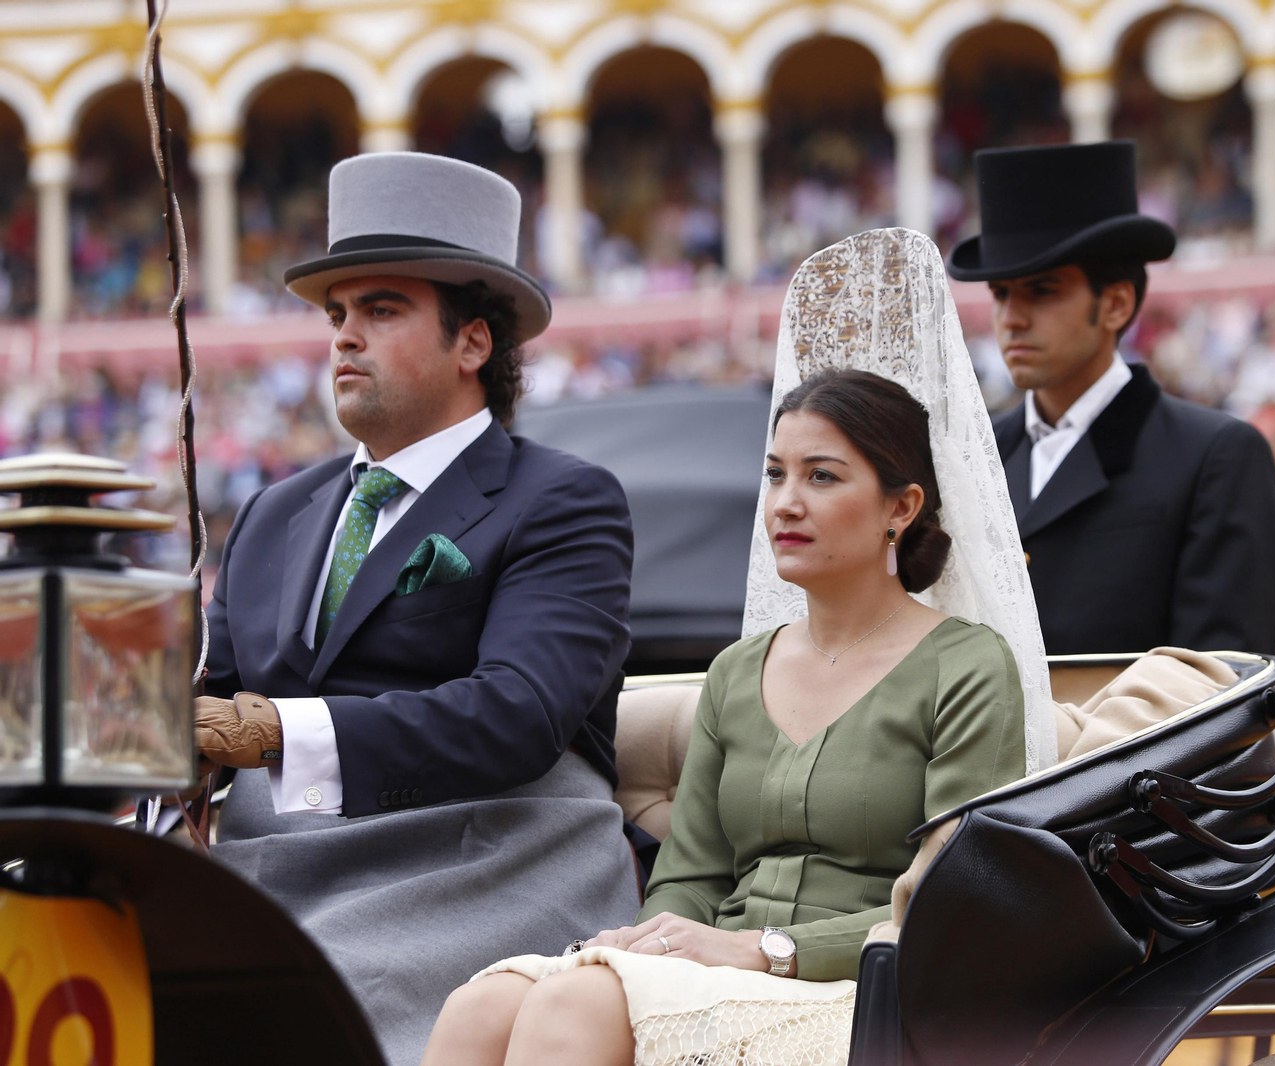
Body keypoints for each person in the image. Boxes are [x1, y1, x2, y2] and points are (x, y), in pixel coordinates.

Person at [420, 229, 1057, 1066]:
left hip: (862, 991)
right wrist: (654, 938)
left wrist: (765, 952)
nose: (787, 502)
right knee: (482, 1003)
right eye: (775, 474)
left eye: (823, 477)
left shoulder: (966, 666)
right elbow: (690, 876)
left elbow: (950, 908)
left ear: (902, 507)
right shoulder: (737, 672)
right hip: (719, 971)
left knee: (573, 1004)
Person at [192, 152, 641, 1065]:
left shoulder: (564, 500)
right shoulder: (275, 514)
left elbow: (519, 715)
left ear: (473, 343)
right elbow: (210, 709)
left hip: (481, 866)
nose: (344, 338)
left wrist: (276, 732)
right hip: (270, 874)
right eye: (338, 314)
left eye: (382, 310)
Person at [947, 141, 1275, 656]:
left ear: (1115, 304)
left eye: (1042, 291)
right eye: (1000, 294)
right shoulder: (974, 458)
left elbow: (1223, 679)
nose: (1012, 318)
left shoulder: (1216, 456)